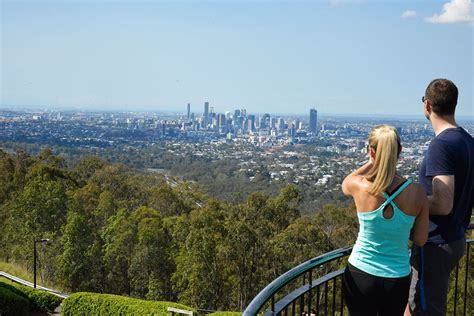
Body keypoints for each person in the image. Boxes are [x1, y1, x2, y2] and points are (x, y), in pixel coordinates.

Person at [341, 125, 429, 316]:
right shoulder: (417, 192)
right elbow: (421, 239)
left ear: (371, 151)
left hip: (360, 273)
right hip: (396, 278)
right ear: (400, 151)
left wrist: (373, 161)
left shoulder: (360, 186)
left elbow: (346, 183)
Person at [407, 79, 474, 315]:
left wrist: (407, 202)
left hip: (436, 241)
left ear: (427, 105)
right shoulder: (467, 141)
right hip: (455, 237)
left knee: (425, 309)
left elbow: (443, 203)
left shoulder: (442, 145)